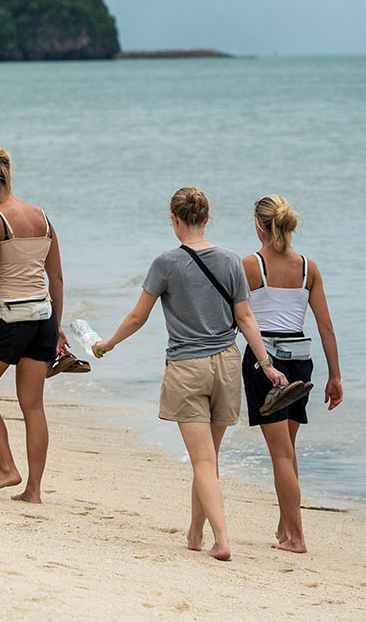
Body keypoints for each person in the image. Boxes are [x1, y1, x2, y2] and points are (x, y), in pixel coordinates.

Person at [91, 187, 287, 561]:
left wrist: (109, 343)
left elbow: (137, 316)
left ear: (175, 220)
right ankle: (196, 534)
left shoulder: (165, 263)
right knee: (209, 458)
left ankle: (222, 540)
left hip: (187, 368)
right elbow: (246, 318)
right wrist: (267, 364)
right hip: (226, 365)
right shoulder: (231, 260)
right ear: (207, 218)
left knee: (202, 462)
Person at [0, 143, 69, 503]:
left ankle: (7, 467)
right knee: (33, 405)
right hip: (43, 319)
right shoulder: (43, 217)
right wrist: (58, 324)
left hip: (9, 318)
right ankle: (33, 490)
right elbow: (56, 277)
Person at [242, 194, 345, 553]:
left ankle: (297, 538)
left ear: (259, 225)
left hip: (266, 362)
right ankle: (286, 526)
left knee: (281, 454)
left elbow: (236, 317)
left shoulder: (251, 265)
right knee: (288, 450)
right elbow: (326, 326)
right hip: (301, 360)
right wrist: (335, 376)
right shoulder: (307, 268)